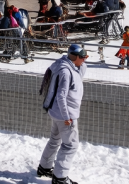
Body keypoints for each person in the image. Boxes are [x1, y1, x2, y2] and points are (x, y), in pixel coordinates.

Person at [37, 43, 88, 183]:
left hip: (56, 111)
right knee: (70, 145)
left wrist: (83, 58)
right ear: (75, 57)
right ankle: (60, 178)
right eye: (83, 57)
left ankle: (44, 168)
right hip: (65, 115)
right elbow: (61, 96)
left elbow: (81, 71)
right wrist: (67, 117)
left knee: (55, 140)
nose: (85, 60)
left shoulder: (64, 64)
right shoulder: (66, 72)